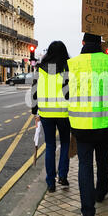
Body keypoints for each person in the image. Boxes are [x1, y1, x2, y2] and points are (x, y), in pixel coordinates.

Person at [64, 33, 108, 216]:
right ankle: (101, 191)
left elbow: (66, 93)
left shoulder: (71, 64)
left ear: (83, 43)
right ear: (100, 43)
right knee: (103, 160)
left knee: (85, 166)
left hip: (81, 126)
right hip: (105, 124)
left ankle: (88, 215)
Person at [31, 41, 71, 193]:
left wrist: (35, 111)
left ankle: (50, 182)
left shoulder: (40, 69)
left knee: (50, 146)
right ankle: (63, 175)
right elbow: (69, 92)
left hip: (46, 112)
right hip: (64, 113)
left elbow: (34, 91)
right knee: (65, 143)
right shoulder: (67, 68)